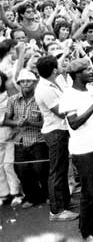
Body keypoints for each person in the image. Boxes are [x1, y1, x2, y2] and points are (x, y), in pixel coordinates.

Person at [58, 58, 93, 240]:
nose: (91, 72)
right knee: (88, 191)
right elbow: (73, 123)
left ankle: (89, 221)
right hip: (82, 150)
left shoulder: (92, 89)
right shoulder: (68, 95)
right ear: (77, 74)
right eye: (87, 70)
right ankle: (86, 231)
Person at [35, 55, 78, 221]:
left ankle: (64, 202)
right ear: (53, 70)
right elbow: (60, 112)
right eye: (57, 66)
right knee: (57, 172)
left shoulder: (51, 82)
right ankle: (56, 211)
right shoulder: (45, 89)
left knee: (61, 169)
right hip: (55, 132)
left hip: (59, 130)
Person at [2, 69, 48, 208]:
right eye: (23, 81)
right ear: (19, 84)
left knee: (40, 169)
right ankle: (31, 197)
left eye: (29, 81)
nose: (26, 84)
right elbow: (6, 120)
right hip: (20, 139)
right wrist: (17, 123)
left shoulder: (40, 99)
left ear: (35, 83)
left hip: (38, 139)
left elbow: (45, 122)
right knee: (21, 170)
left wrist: (30, 123)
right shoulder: (13, 100)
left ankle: (46, 195)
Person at [0, 70, 22, 206]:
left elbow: (17, 112)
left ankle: (16, 192)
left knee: (9, 164)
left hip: (9, 132)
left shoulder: (8, 93)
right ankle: (4, 193)